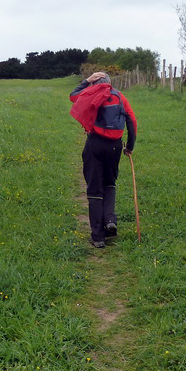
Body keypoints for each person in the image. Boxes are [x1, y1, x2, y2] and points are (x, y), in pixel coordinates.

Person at [69, 71, 137, 248]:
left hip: (95, 144)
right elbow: (132, 121)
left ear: (95, 82)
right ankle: (109, 220)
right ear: (110, 82)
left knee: (94, 190)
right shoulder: (120, 96)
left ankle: (98, 237)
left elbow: (73, 96)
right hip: (114, 145)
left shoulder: (90, 93)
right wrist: (129, 146)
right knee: (109, 184)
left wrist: (86, 81)